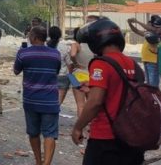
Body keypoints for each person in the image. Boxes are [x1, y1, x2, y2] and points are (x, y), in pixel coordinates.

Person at [71, 18, 144, 165]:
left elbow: (95, 102)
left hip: (106, 137)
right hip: (132, 136)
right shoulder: (134, 65)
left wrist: (78, 127)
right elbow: (122, 92)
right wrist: (93, 87)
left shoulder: (101, 63)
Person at [14, 26, 61, 165]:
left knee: (33, 132)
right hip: (50, 101)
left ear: (33, 37)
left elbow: (16, 71)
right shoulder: (55, 54)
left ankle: (38, 161)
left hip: (31, 100)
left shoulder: (23, 53)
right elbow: (56, 71)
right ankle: (46, 163)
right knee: (50, 133)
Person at [128, 16, 161, 86]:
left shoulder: (155, 34)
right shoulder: (148, 34)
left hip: (153, 61)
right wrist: (130, 23)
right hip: (146, 60)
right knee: (149, 84)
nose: (146, 26)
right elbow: (136, 31)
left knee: (153, 85)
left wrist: (137, 21)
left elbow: (149, 28)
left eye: (148, 25)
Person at [47, 26, 72, 107]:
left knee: (48, 99)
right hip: (63, 76)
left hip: (48, 76)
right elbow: (69, 64)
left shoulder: (44, 46)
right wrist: (72, 78)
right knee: (58, 103)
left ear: (49, 34)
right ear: (60, 35)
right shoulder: (65, 47)